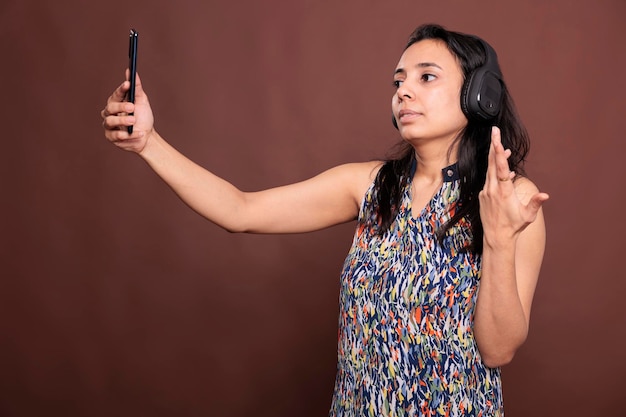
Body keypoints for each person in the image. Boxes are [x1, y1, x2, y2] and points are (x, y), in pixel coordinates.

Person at [101, 23, 548, 417]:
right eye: (398, 81)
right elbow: (240, 211)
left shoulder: (513, 199)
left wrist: (500, 238)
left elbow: (498, 349)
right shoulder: (369, 185)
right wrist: (148, 143)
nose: (403, 92)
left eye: (426, 77)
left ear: (479, 94)